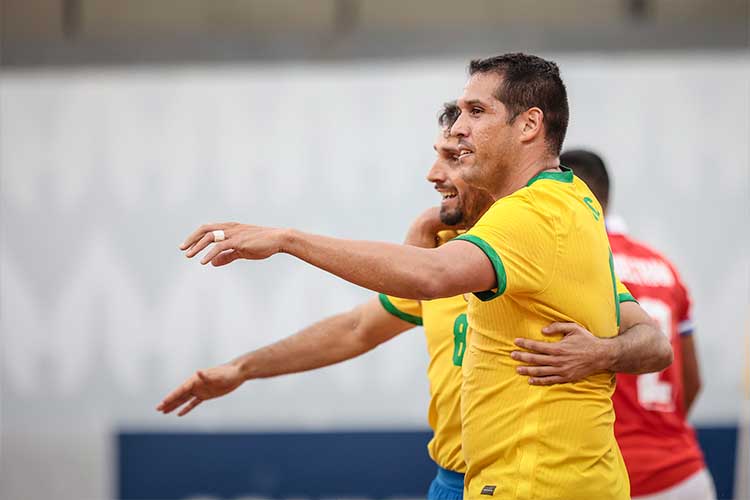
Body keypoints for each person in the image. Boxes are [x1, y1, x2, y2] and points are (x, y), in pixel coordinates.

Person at [169, 53, 672, 499]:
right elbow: (356, 328)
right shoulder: (536, 220)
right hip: (470, 477)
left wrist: (287, 239)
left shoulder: (531, 219)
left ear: (528, 126)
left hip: (536, 483)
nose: (439, 169)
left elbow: (429, 277)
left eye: (469, 125)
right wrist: (241, 370)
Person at [556, 149, 715, 500]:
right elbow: (692, 380)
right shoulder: (664, 266)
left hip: (615, 478)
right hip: (685, 473)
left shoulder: (574, 265)